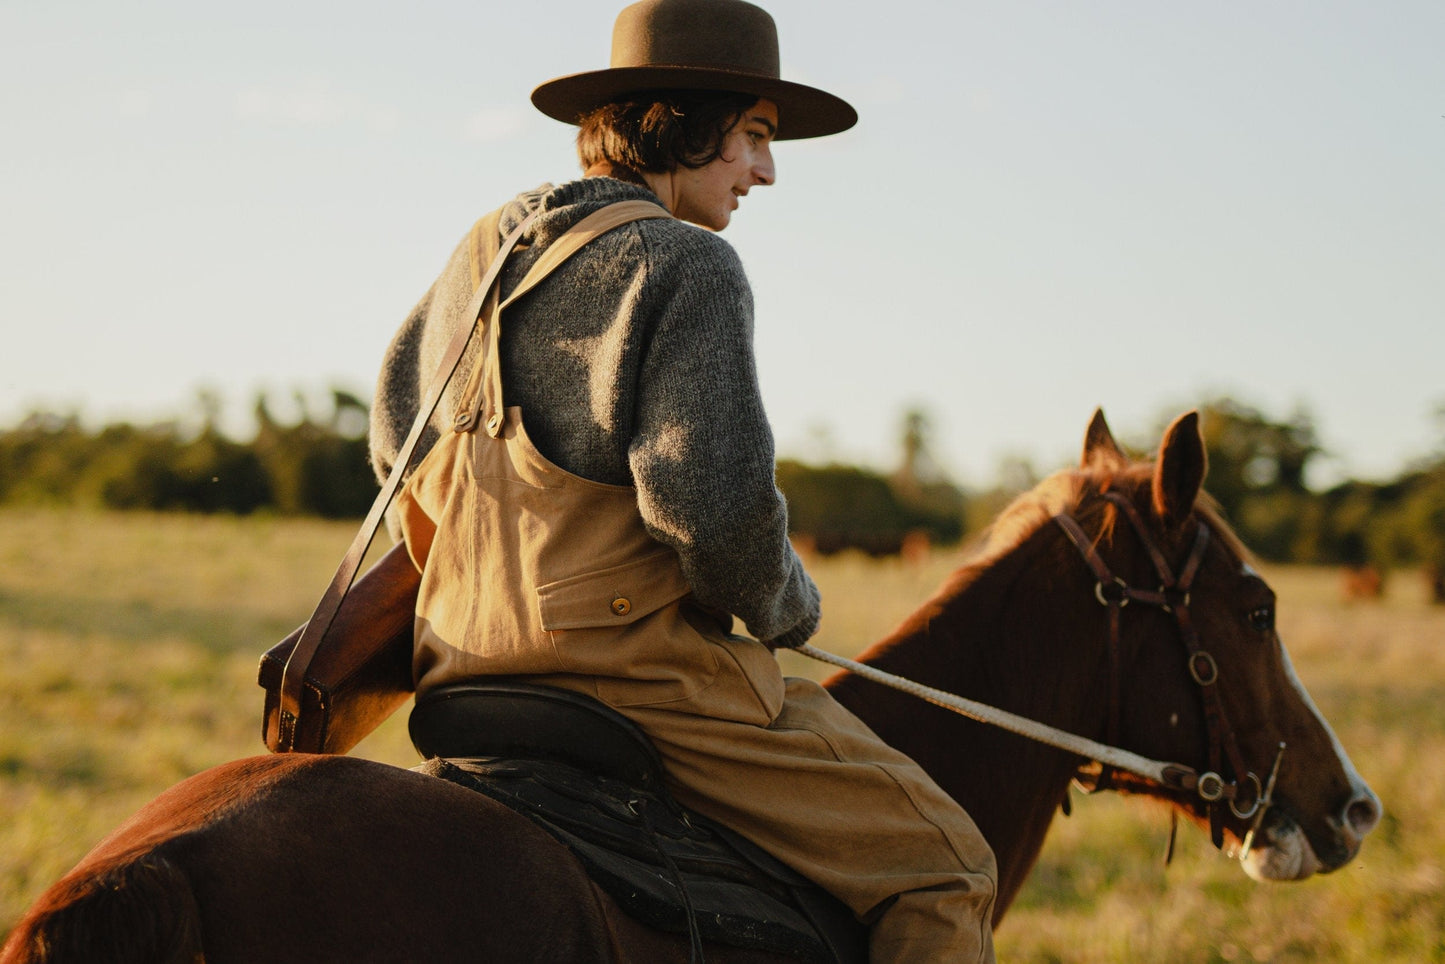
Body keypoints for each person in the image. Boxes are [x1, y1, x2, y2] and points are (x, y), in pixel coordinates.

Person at [369, 0, 998, 959]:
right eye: (755, 136)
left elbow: (394, 453)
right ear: (684, 123)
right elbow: (711, 509)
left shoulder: (482, 250)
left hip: (457, 668)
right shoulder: (691, 263)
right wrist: (788, 611)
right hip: (637, 685)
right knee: (948, 869)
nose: (766, 172)